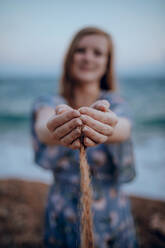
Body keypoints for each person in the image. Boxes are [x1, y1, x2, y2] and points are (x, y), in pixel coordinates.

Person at [31, 26, 138, 248]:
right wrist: (56, 126)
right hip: (62, 210)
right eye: (81, 50)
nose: (88, 58)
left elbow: (124, 126)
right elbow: (43, 126)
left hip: (111, 211)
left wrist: (108, 126)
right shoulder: (49, 102)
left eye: (97, 53)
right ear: (70, 57)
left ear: (107, 63)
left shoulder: (116, 104)